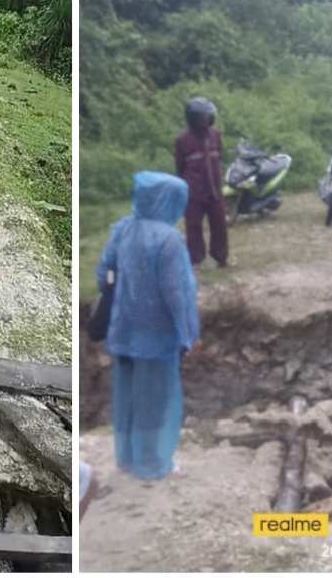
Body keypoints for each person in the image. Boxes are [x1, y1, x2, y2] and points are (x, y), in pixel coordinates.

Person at [96, 171, 200, 480]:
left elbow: (104, 274)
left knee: (127, 396)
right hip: (158, 338)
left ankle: (126, 459)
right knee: (156, 400)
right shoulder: (169, 240)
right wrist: (187, 334)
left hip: (123, 331)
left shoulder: (123, 229)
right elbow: (176, 294)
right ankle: (155, 464)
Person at [175, 97, 228, 269]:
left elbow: (219, 157)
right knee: (193, 227)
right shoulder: (182, 140)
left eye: (208, 116)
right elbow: (180, 167)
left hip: (215, 190)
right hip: (194, 193)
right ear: (193, 119)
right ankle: (196, 259)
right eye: (203, 117)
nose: (207, 120)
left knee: (219, 225)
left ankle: (221, 258)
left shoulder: (216, 135)